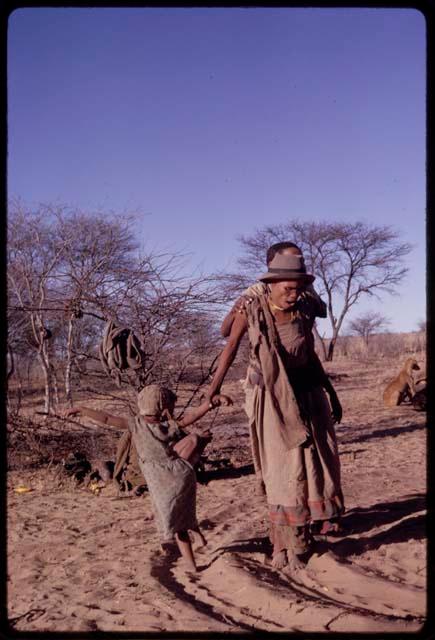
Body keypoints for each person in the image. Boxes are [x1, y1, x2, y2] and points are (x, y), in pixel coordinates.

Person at [206, 252, 344, 573]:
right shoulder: (252, 310)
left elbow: (309, 355)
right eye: (288, 288)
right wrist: (213, 389)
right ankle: (281, 543)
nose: (293, 294)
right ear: (270, 285)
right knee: (282, 470)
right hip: (272, 398)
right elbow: (227, 350)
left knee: (313, 465)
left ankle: (303, 537)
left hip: (306, 394)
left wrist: (331, 394)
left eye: (298, 288)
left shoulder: (305, 309)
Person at [63, 386, 231, 573]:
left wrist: (82, 410)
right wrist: (210, 404)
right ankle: (197, 536)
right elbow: (190, 417)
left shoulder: (135, 425)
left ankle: (191, 565)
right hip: (182, 474)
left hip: (162, 483)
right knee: (185, 511)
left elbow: (107, 419)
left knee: (175, 524)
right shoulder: (169, 425)